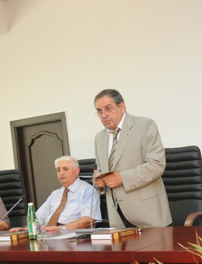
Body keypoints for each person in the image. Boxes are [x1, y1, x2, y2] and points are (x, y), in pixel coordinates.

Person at [93, 89, 172, 228]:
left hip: (147, 214)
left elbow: (157, 164)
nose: (104, 115)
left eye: (108, 109)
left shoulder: (145, 125)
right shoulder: (99, 138)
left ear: (121, 107)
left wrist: (122, 178)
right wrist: (98, 180)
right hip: (117, 218)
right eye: (99, 111)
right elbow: (100, 169)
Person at [27, 156, 101, 232]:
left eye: (65, 169)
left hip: (74, 237)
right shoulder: (55, 194)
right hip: (49, 234)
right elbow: (37, 219)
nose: (61, 173)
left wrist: (61, 228)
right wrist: (24, 230)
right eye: (58, 170)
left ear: (77, 171)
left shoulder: (88, 191)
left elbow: (89, 219)